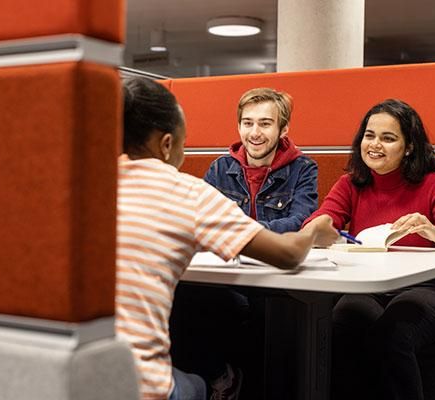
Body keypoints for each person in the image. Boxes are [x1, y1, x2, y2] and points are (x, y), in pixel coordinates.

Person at [116, 77, 338, 400]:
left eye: (264, 123)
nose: (255, 132)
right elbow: (288, 253)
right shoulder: (188, 192)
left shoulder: (81, 184)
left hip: (62, 374)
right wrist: (314, 232)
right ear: (166, 144)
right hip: (142, 386)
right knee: (198, 376)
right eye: (183, 141)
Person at [303, 98, 435, 400]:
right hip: (368, 289)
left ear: (408, 147)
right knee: (338, 332)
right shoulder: (350, 184)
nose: (375, 144)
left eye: (388, 138)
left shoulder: (432, 184)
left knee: (391, 337)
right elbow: (318, 222)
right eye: (370, 135)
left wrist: (433, 231)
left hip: (429, 290)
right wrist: (317, 228)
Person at [204, 87, 318, 233]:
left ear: (283, 130)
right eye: (248, 123)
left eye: (265, 124)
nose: (255, 133)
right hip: (229, 254)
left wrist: (246, 231)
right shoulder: (219, 168)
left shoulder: (302, 169)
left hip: (277, 254)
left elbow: (301, 222)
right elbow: (201, 219)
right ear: (239, 127)